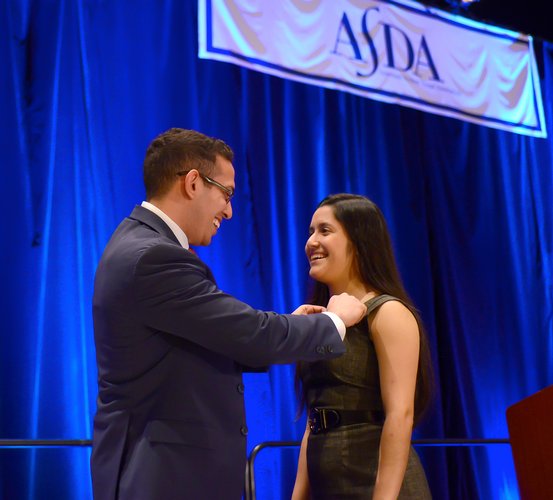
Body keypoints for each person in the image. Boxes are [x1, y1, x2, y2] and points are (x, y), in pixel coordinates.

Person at [90, 129, 367, 500]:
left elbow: (215, 338)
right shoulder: (153, 257)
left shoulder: (140, 244)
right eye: (226, 193)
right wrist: (335, 320)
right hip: (164, 476)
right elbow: (252, 334)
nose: (229, 210)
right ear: (192, 183)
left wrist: (296, 324)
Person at [292, 194, 433, 499]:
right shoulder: (322, 320)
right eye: (310, 231)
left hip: (380, 485)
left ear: (359, 241)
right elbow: (313, 420)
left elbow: (401, 414)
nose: (311, 242)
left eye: (324, 231)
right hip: (329, 485)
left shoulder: (388, 312)